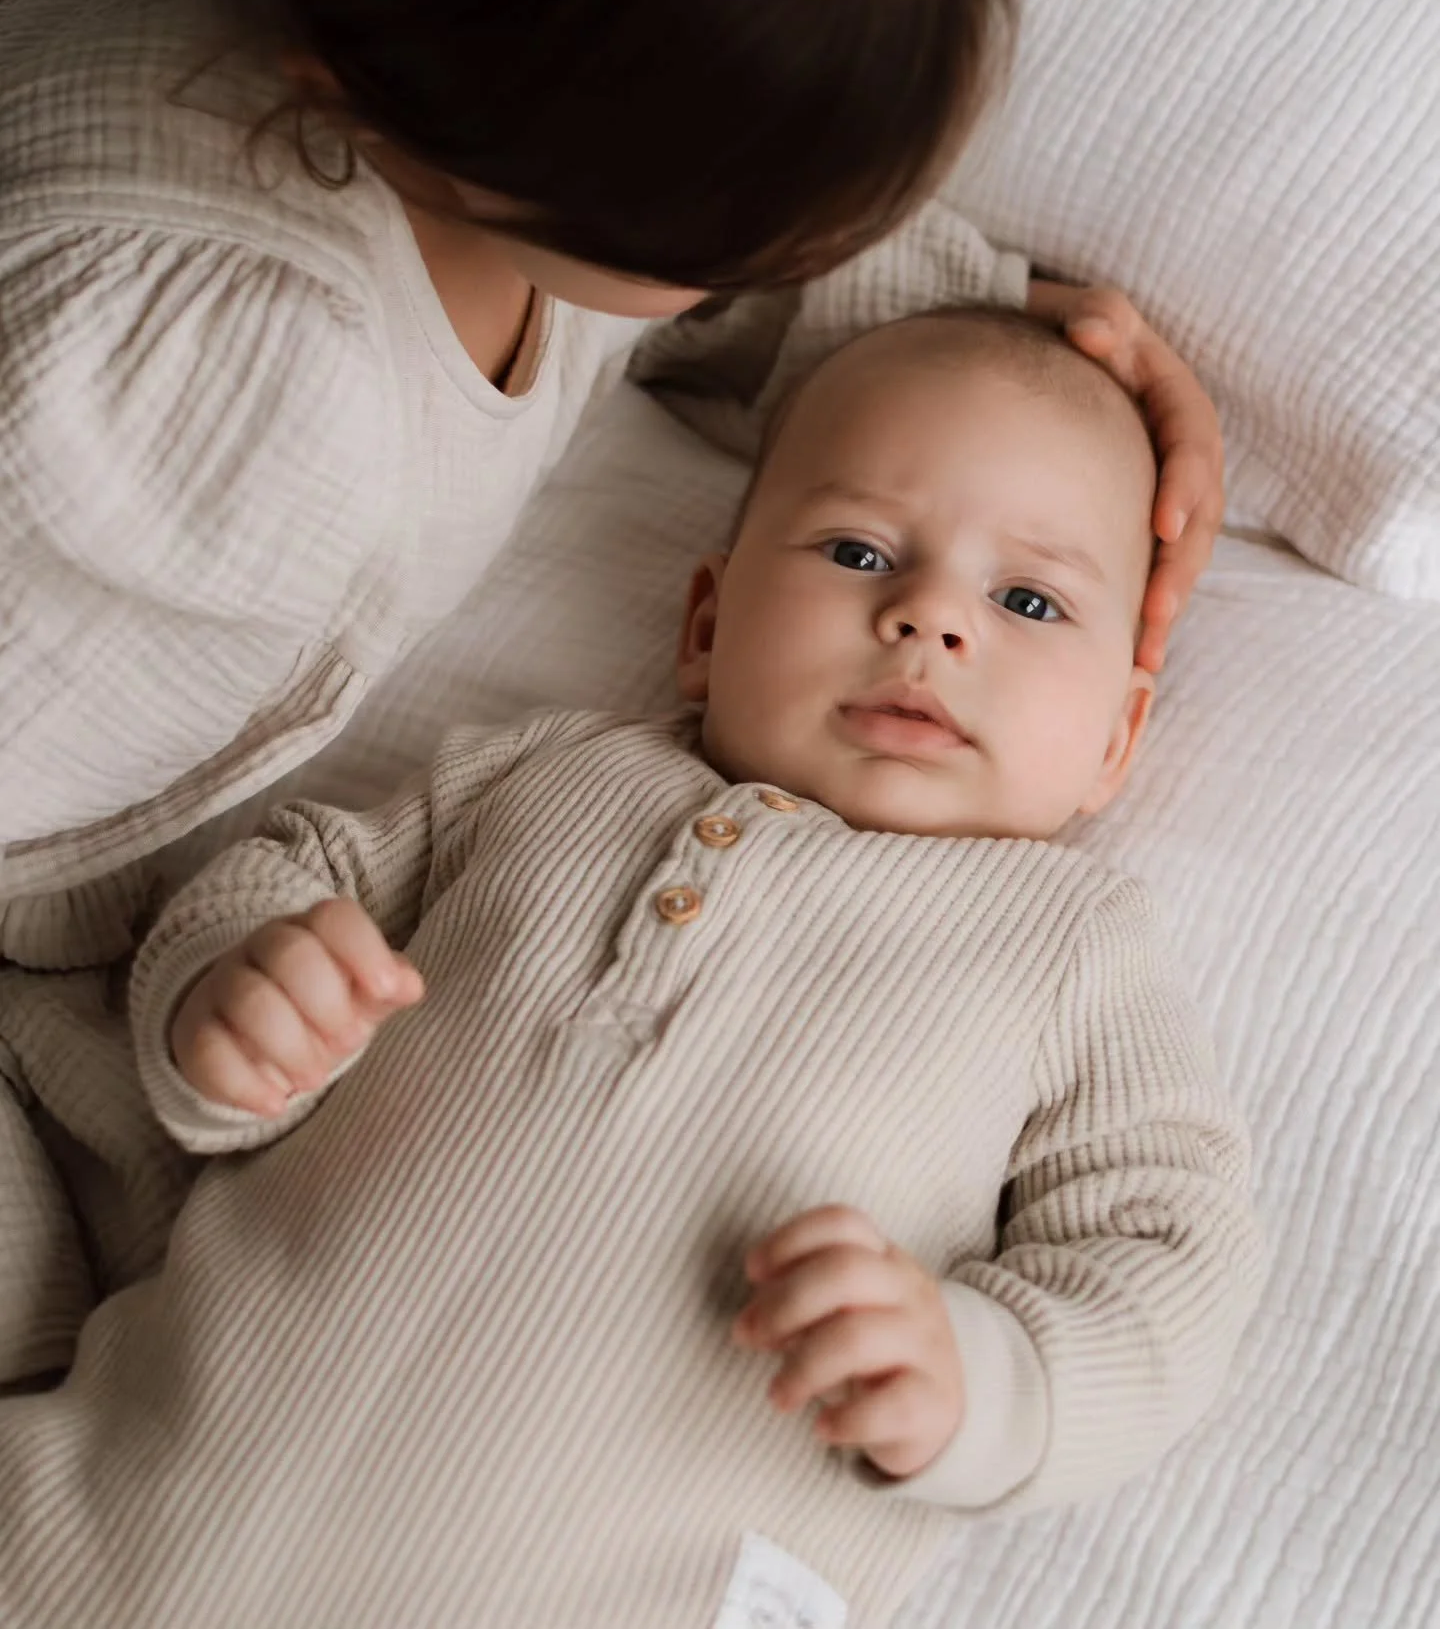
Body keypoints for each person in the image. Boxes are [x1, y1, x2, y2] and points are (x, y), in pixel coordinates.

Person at [0, 309, 1263, 1629]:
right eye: (858, 551)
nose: (931, 616)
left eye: (1029, 600)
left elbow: (1170, 1256)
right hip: (103, 1530)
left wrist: (983, 1379)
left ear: (1115, 739)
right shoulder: (539, 773)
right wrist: (230, 990)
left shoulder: (1069, 946)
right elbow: (293, 866)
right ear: (706, 624)